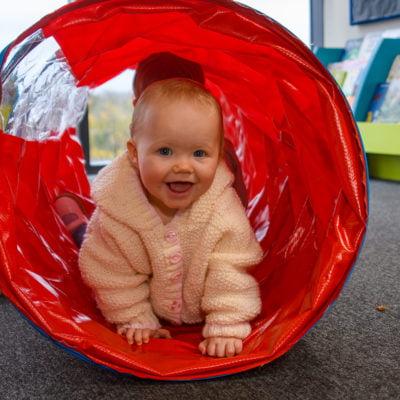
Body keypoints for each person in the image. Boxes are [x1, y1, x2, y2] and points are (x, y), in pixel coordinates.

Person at [77, 78, 262, 358]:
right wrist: (135, 317)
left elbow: (230, 269)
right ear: (134, 154)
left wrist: (226, 325)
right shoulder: (118, 209)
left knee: (229, 259)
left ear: (219, 154)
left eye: (200, 153)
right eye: (165, 151)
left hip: (198, 302)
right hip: (145, 297)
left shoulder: (222, 209)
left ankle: (73, 217)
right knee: (90, 243)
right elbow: (109, 271)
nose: (183, 166)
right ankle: (72, 216)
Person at [55, 52, 248, 247]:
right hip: (160, 249)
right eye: (164, 152)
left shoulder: (219, 155)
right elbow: (241, 204)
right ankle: (85, 229)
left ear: (136, 106)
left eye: (198, 154)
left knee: (100, 244)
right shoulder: (218, 147)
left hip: (190, 247)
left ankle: (81, 228)